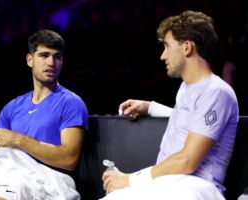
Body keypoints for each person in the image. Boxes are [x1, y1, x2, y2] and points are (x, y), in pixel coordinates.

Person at [101, 10, 238, 200]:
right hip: (170, 184)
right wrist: (150, 107)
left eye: (167, 46)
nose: (163, 56)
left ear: (187, 47)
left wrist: (131, 180)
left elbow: (187, 160)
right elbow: (189, 119)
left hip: (196, 188)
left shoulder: (216, 92)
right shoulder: (188, 87)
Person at [0, 29, 88, 200]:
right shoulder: (13, 106)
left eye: (57, 57)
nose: (51, 62)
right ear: (30, 60)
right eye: (44, 55)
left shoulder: (71, 103)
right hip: (5, 176)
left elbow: (69, 159)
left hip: (47, 182)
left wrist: (19, 139)